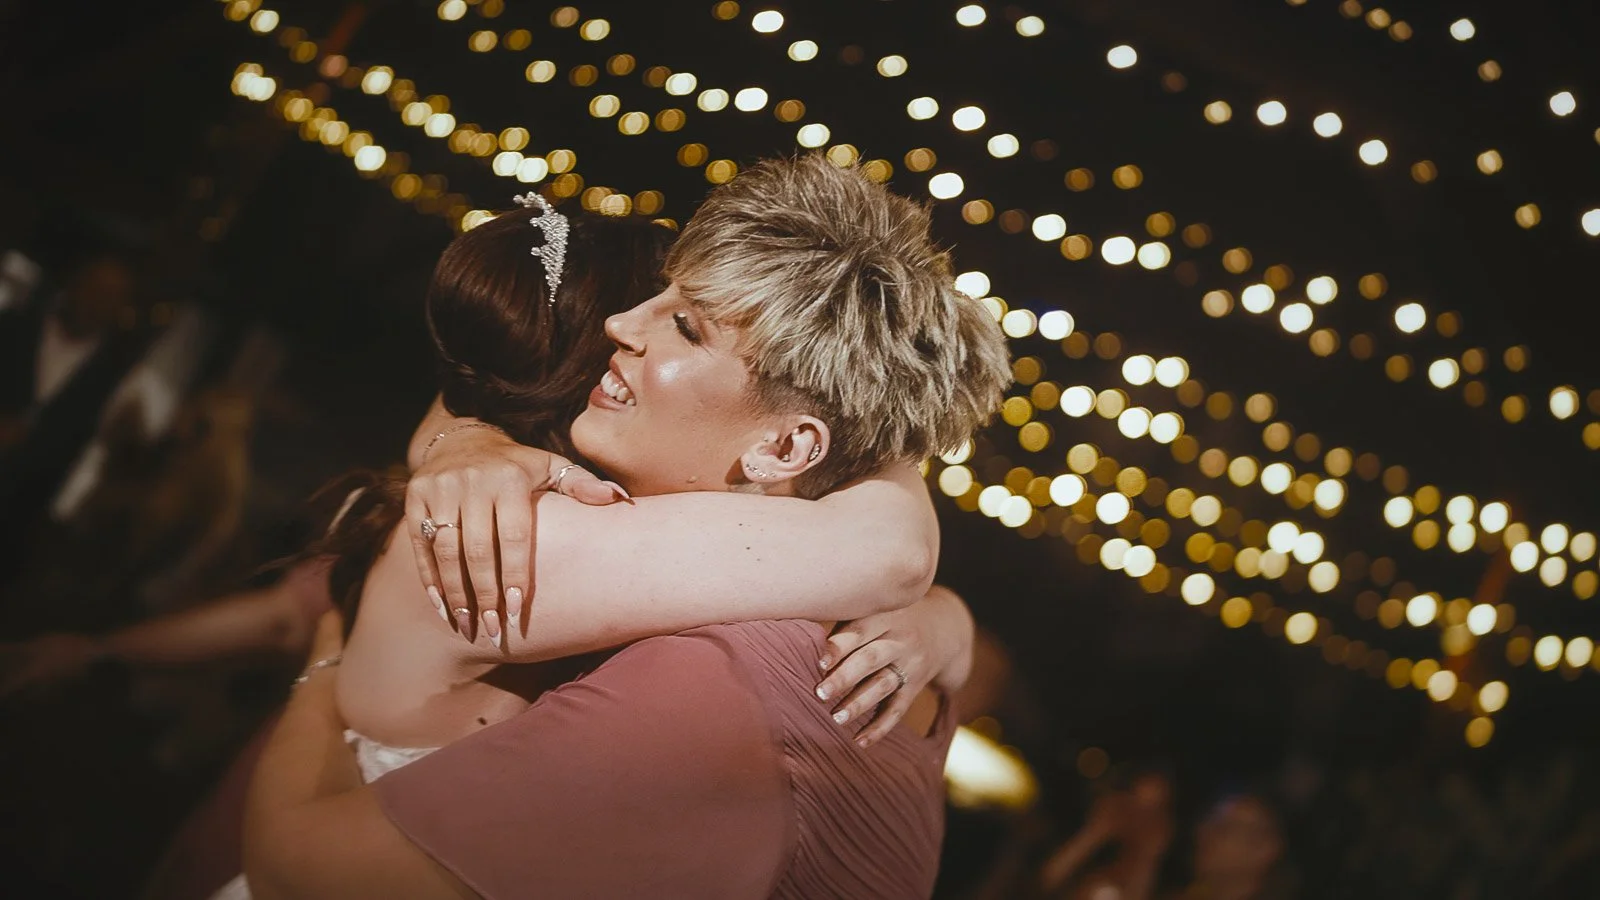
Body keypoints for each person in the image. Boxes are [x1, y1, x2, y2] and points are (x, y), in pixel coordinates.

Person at [241, 154, 1010, 898]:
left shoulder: (701, 654)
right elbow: (887, 542)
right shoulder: (815, 600)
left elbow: (890, 551)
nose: (619, 325)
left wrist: (325, 664)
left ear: (784, 447)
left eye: (687, 327)